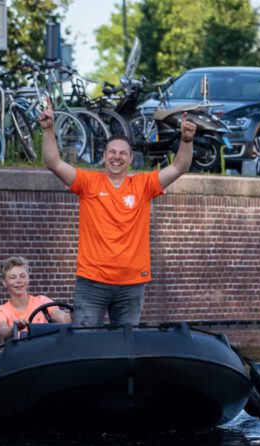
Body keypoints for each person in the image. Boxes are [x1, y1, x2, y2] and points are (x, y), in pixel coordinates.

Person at [38, 97, 197, 327]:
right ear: (104, 156)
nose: (117, 157)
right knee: (84, 343)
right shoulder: (88, 182)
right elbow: (53, 162)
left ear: (131, 159)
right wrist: (48, 129)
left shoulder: (144, 185)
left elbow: (180, 166)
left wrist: (187, 139)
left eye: (123, 153)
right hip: (92, 282)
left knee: (125, 347)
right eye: (112, 152)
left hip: (131, 284)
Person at [0, 256, 71, 339]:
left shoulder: (43, 301)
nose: (19, 281)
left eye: (22, 276)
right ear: (4, 282)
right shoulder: (1, 311)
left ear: (28, 278)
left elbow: (63, 318)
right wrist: (14, 329)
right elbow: (3, 331)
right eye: (13, 277)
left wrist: (75, 315)